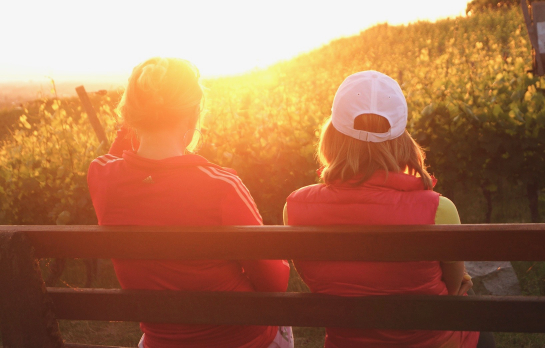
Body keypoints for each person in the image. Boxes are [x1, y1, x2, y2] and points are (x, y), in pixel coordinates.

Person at [88, 57, 292, 348]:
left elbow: (118, 155)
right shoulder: (221, 185)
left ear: (131, 115)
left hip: (162, 342)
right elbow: (275, 285)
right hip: (241, 340)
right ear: (193, 115)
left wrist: (134, 120)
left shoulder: (102, 178)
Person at [284, 71, 487, 347]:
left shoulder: (295, 208)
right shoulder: (438, 209)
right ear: (401, 138)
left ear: (332, 134)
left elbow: (318, 284)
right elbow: (453, 288)